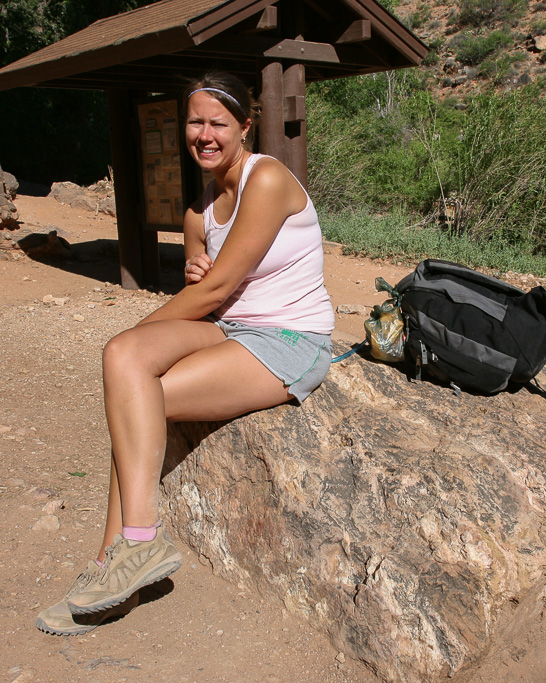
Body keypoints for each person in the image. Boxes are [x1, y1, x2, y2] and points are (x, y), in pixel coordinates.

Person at [35, 71, 335, 636]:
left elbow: (216, 289)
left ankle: (128, 556)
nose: (204, 134)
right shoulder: (198, 210)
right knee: (125, 363)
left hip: (288, 339)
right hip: (229, 328)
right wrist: (194, 277)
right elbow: (206, 290)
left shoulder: (265, 178)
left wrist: (202, 283)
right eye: (194, 122)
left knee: (140, 403)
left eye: (217, 122)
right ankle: (119, 564)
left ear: (245, 126)